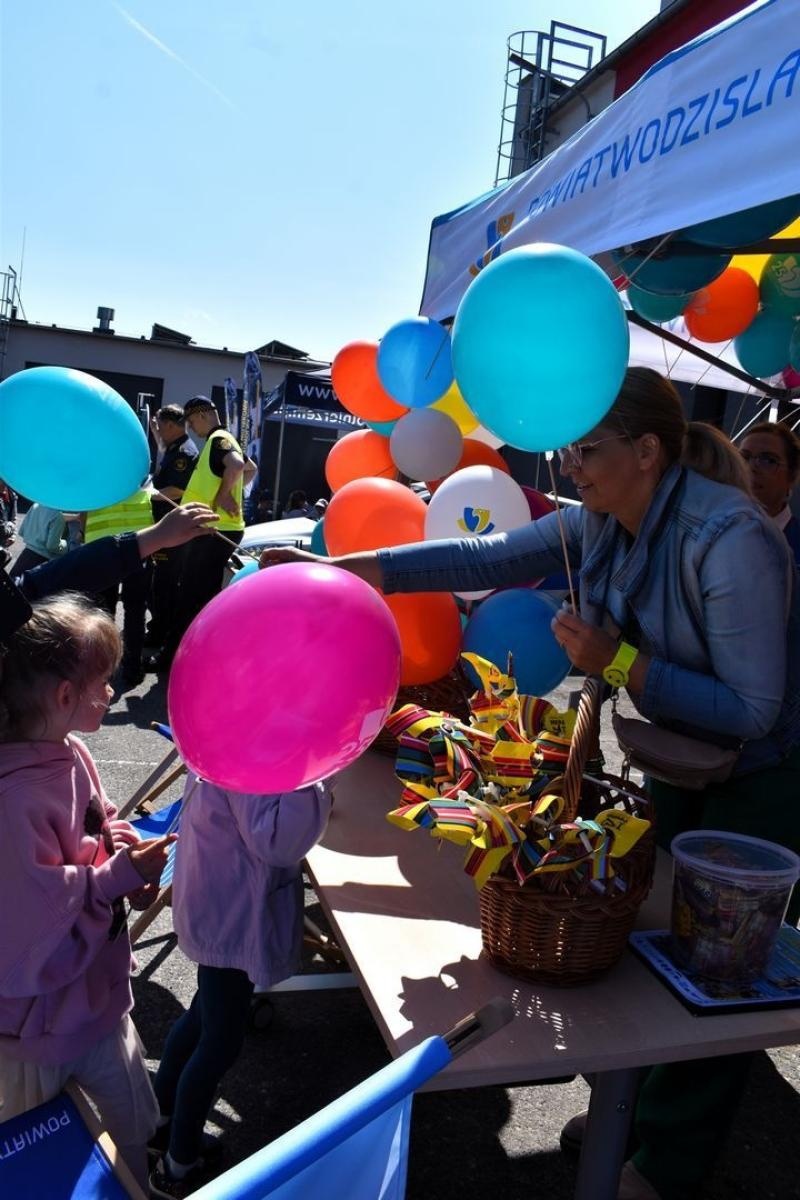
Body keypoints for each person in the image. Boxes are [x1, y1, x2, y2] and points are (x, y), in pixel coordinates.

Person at [261, 367, 800, 1200]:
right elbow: (484, 554)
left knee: (720, 968)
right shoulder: (604, 522)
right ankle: (640, 1114)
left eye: (588, 450)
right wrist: (351, 566)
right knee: (659, 950)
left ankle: (668, 1162)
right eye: (569, 452)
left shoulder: (729, 538)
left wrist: (615, 661)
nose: (571, 469)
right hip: (681, 757)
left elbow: (757, 709)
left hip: (762, 779)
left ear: (648, 452)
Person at [0, 594, 177, 1190]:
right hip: (40, 1032)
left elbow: (91, 822)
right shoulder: (15, 801)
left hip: (96, 1003)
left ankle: (136, 1184)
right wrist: (115, 879)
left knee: (130, 1131)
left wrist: (115, 834)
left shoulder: (70, 750)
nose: (111, 692)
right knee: (46, 1159)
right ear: (63, 695)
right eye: (102, 681)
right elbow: (31, 923)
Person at [148, 773, 333, 1198]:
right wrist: (315, 783)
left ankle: (159, 1121)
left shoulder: (232, 745)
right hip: (232, 915)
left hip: (218, 903)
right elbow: (280, 842)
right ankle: (179, 1164)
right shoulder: (255, 763)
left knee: (201, 1017)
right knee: (219, 1045)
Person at [152, 397, 256, 671]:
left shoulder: (218, 439)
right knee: (202, 595)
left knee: (188, 598)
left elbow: (236, 466)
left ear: (200, 416)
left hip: (212, 531)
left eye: (190, 422)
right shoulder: (227, 438)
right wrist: (232, 493)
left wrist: (224, 496)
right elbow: (250, 469)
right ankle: (199, 657)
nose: (192, 430)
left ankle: (170, 661)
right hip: (216, 529)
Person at [9, 501, 218, 604]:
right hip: (122, 558)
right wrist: (153, 538)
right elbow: (35, 587)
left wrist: (153, 537)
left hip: (124, 557)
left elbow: (31, 588)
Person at [84, 487, 156, 689]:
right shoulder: (142, 487)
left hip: (102, 550)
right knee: (135, 611)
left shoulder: (97, 487)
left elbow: (83, 516)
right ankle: (133, 669)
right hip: (139, 549)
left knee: (104, 612)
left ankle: (103, 670)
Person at [148, 406, 199, 648]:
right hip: (167, 528)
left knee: (166, 584)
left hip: (174, 531)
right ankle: (159, 629)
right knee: (160, 583)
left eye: (159, 426)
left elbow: (177, 490)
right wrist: (153, 428)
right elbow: (161, 448)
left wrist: (147, 494)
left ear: (170, 425)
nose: (158, 430)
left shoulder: (183, 454)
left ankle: (161, 634)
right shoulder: (173, 447)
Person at [739, 420, 800, 567]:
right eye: (743, 457)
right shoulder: (708, 533)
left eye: (768, 460)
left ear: (792, 475)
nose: (751, 467)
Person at [11, 503, 66, 573]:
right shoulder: (58, 515)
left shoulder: (35, 505)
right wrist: (66, 545)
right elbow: (52, 546)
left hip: (24, 556)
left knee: (12, 581)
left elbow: (22, 531)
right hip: (41, 562)